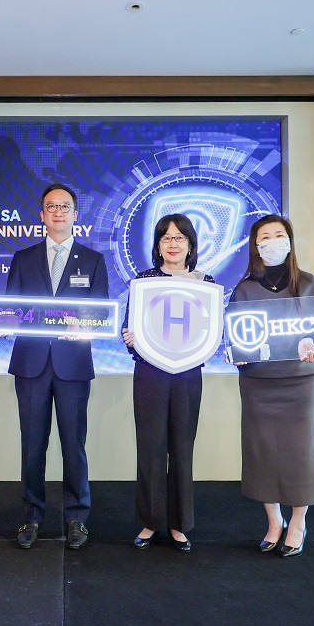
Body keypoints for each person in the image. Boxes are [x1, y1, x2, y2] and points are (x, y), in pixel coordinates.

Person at [5, 184, 110, 550]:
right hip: (32, 364)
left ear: (76, 214)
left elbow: (100, 313)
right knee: (32, 446)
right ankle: (32, 516)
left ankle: (76, 518)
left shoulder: (93, 260)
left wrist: (85, 326)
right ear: (41, 215)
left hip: (73, 365)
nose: (58, 212)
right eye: (51, 206)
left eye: (65, 206)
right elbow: (12, 310)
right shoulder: (23, 258)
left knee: (73, 445)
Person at [230, 214, 314, 558]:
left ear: (289, 240)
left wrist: (311, 340)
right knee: (262, 452)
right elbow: (235, 334)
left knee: (301, 452)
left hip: (300, 381)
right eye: (264, 236)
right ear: (256, 246)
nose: (272, 241)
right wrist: (238, 352)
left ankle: (298, 522)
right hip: (259, 382)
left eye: (279, 234)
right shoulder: (244, 288)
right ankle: (274, 521)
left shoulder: (309, 283)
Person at [121, 213, 216, 553]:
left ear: (190, 245)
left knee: (181, 449)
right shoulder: (143, 281)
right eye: (166, 238)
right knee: (149, 449)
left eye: (179, 238)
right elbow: (127, 327)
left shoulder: (206, 283)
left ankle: (179, 524)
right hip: (150, 374)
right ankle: (150, 521)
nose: (172, 243)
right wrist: (129, 337)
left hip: (189, 374)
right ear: (157, 246)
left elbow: (212, 332)